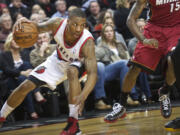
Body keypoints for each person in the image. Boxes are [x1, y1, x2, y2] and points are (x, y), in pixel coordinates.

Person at [0, 8, 97, 135]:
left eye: (82, 25)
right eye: (75, 24)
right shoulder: (57, 23)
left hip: (78, 63)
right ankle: (2, 116)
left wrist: (83, 95)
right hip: (57, 60)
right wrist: (24, 22)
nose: (79, 29)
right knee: (26, 86)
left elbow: (93, 74)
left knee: (72, 71)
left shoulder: (87, 42)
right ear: (67, 22)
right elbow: (37, 28)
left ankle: (73, 123)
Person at [104, 0, 180, 123]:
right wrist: (144, 40)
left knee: (174, 61)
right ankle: (121, 105)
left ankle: (165, 91)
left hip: (176, 29)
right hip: (154, 30)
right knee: (134, 68)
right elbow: (130, 20)